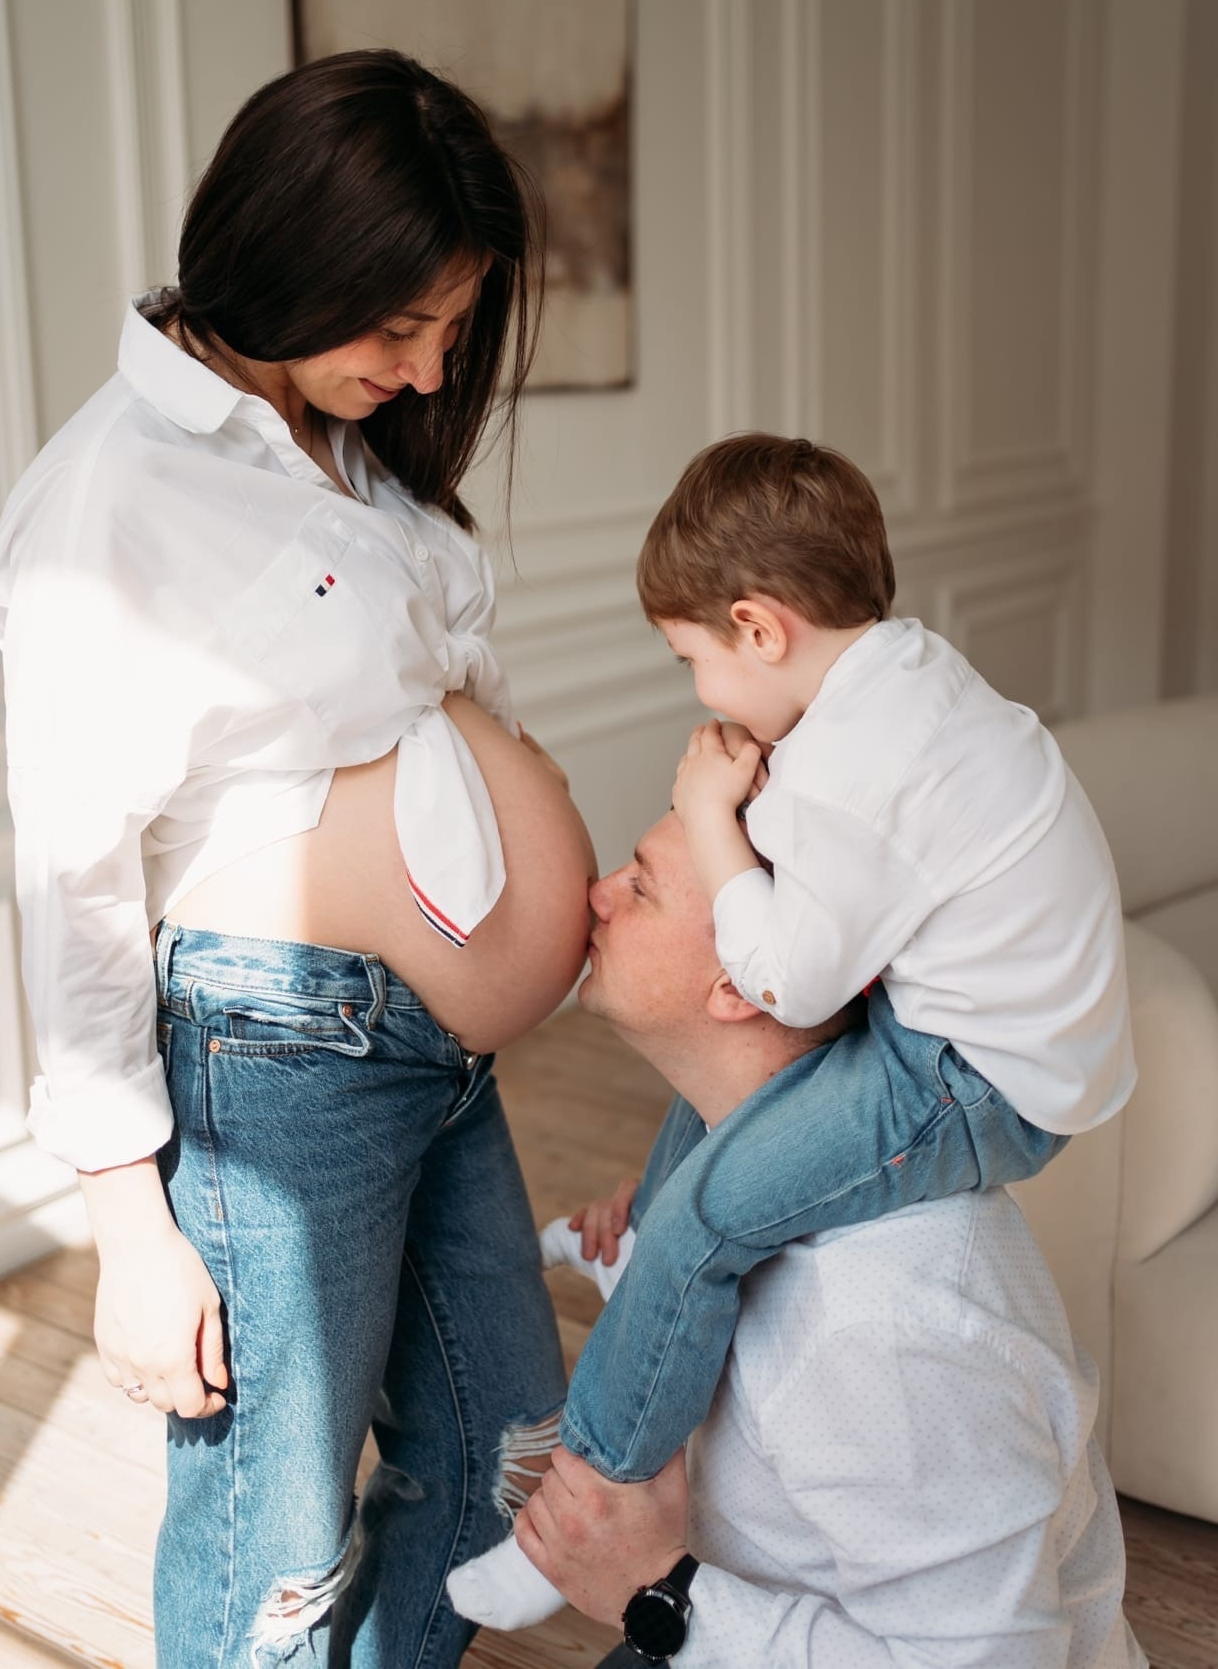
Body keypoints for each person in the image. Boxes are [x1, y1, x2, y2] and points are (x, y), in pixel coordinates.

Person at [0, 49, 596, 1668]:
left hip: (428, 1055)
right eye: (399, 325)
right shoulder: (108, 503)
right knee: (275, 1541)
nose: (425, 366)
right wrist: (129, 1224)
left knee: (510, 1450)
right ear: (283, 253)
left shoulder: (351, 452)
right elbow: (75, 876)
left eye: (451, 331)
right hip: (274, 1066)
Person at [449, 431, 1135, 1629]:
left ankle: (585, 1491)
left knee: (711, 1213)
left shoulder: (855, 772)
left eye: (689, 659)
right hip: (990, 1044)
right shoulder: (903, 686)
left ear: (760, 628)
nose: (700, 698)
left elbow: (786, 978)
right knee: (699, 1150)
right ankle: (639, 1251)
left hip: (975, 1076)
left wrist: (712, 816)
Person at [515, 811, 1147, 1666]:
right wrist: (637, 1251)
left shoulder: (877, 1323)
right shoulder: (724, 1164)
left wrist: (660, 1593)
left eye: (640, 883)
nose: (597, 891)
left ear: (747, 983)